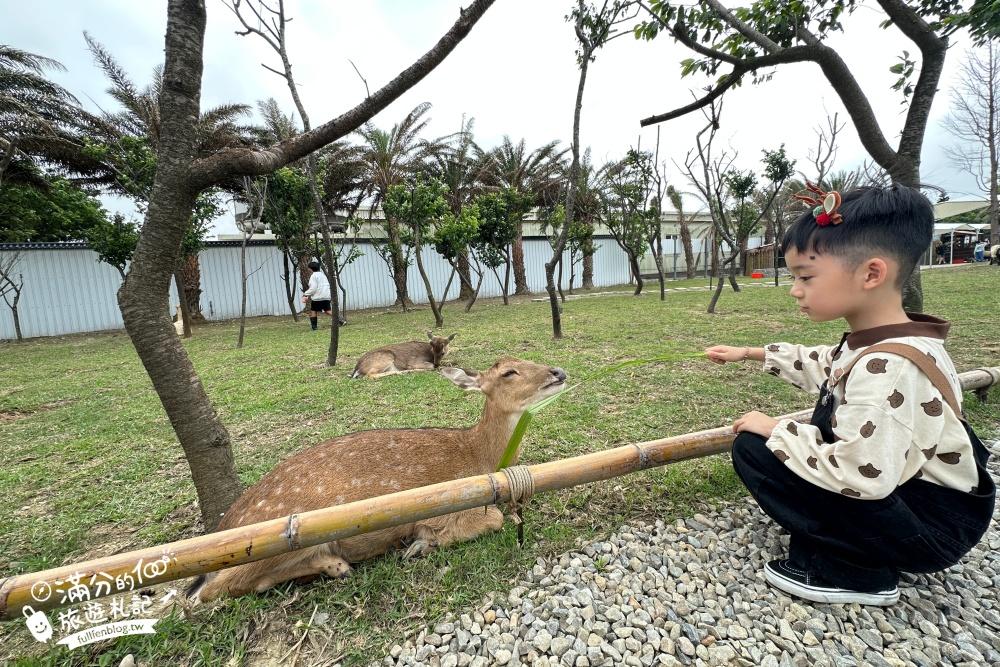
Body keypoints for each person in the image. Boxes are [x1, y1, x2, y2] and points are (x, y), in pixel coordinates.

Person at [705, 184, 995, 606]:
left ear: (871, 274)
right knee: (770, 443)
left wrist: (778, 430)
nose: (795, 290)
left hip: (929, 526)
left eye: (806, 276)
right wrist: (749, 354)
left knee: (755, 448)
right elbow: (825, 363)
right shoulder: (891, 340)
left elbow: (863, 475)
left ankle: (856, 571)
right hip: (930, 507)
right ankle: (857, 544)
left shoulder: (891, 368)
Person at [301, 260, 344, 329]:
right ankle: (340, 319)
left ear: (311, 269)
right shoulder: (322, 275)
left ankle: (314, 327)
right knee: (328, 310)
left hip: (318, 296)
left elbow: (313, 288)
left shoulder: (313, 276)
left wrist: (305, 294)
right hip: (326, 295)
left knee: (314, 311)